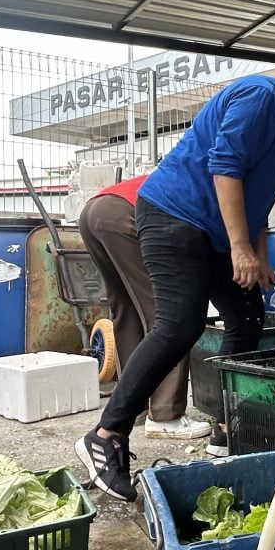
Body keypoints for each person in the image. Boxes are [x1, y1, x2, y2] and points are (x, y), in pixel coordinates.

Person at [74, 48, 275, 501]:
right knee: (178, 324)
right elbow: (224, 168)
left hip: (208, 233)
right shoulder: (258, 94)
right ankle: (107, 434)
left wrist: (259, 257)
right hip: (174, 218)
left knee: (247, 311)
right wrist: (241, 249)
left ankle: (226, 430)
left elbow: (257, 198)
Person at [79, 175, 212, 440]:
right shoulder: (216, 183)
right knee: (171, 314)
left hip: (95, 211)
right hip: (126, 213)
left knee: (126, 309)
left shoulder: (188, 170)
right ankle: (166, 415)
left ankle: (134, 405)